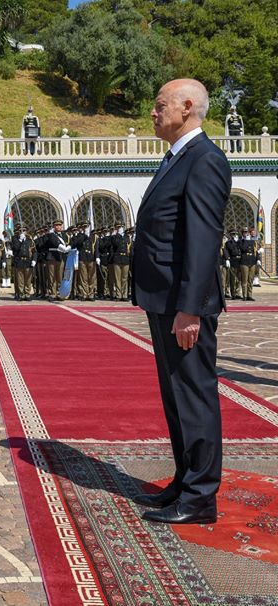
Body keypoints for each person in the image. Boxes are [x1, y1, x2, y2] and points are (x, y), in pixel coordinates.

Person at [131, 78, 230, 525]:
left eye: (160, 105)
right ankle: (185, 479)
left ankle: (200, 496)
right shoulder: (178, 157)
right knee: (176, 396)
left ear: (187, 107)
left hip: (184, 303)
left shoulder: (205, 159)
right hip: (164, 298)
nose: (153, 113)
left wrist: (191, 308)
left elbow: (204, 241)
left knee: (193, 396)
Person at [45, 219, 70, 301]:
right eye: (56, 225)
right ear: (54, 227)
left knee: (60, 276)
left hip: (60, 257)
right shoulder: (51, 234)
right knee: (52, 276)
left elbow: (67, 243)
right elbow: (53, 242)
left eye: (59, 225)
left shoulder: (65, 235)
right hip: (52, 256)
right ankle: (52, 293)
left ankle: (60, 293)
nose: (58, 227)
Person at [111, 222, 133, 301]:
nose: (120, 228)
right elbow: (115, 244)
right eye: (118, 227)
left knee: (124, 278)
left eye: (121, 227)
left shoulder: (127, 237)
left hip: (125, 259)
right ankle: (118, 295)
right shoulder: (115, 237)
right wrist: (116, 235)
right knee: (118, 279)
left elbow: (130, 249)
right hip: (117, 259)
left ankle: (124, 295)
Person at [237, 227, 258, 301]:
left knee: (250, 279)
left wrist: (257, 260)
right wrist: (246, 241)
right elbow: (243, 249)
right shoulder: (240, 241)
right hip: (244, 261)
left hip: (252, 261)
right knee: (244, 279)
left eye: (247, 232)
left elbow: (254, 251)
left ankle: (249, 295)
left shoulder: (252, 241)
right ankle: (244, 295)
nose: (246, 233)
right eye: (244, 232)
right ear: (242, 233)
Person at [224, 230, 240, 300]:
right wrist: (234, 242)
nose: (234, 235)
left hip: (239, 261)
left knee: (239, 279)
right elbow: (232, 250)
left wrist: (237, 242)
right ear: (230, 235)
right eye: (233, 234)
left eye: (235, 234)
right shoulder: (228, 243)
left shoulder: (240, 242)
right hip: (233, 261)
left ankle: (238, 293)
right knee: (232, 279)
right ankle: (233, 294)